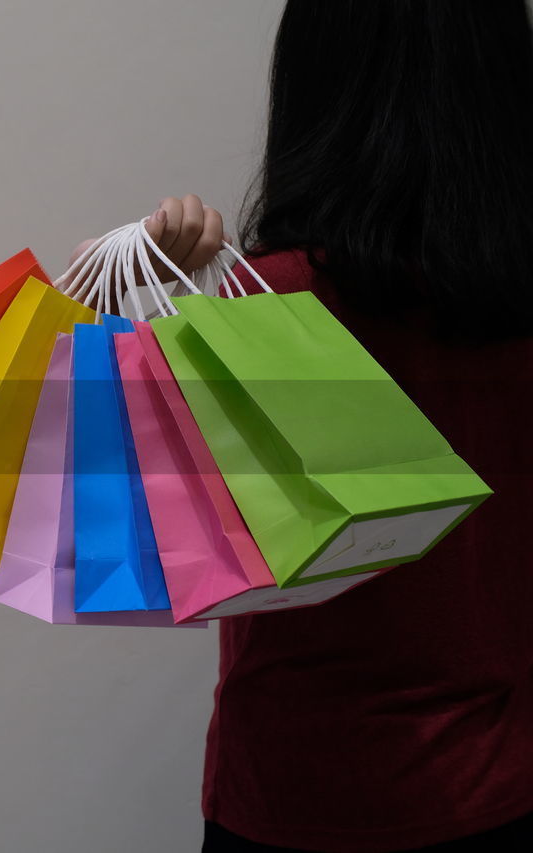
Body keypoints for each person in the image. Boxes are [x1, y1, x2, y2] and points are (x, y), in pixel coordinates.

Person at [73, 2, 533, 850]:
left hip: (297, 794)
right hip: (503, 778)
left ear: (317, 88)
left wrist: (116, 300)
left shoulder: (261, 306)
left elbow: (106, 536)